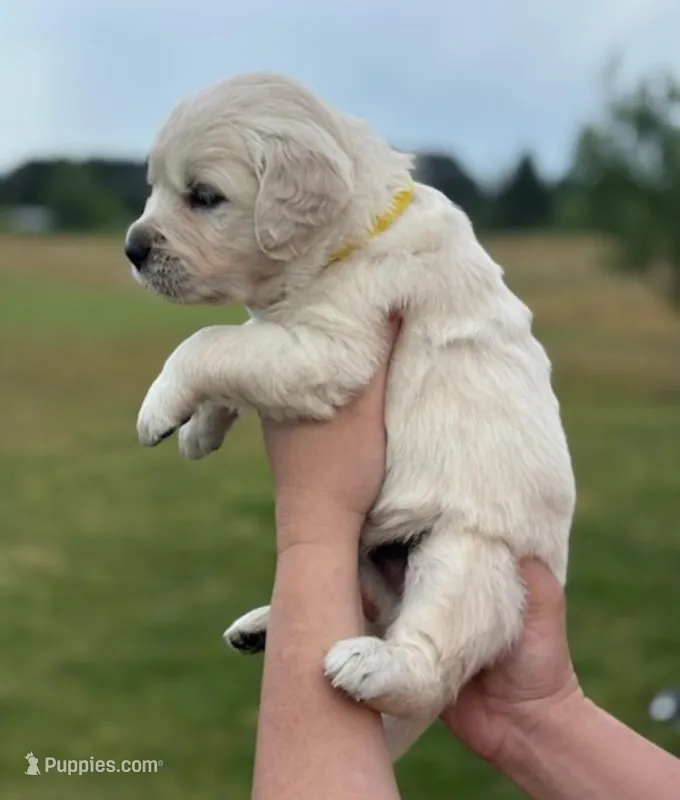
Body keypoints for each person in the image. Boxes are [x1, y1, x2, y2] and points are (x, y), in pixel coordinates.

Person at [251, 318, 680, 800]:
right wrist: (535, 710)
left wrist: (316, 523)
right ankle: (347, 616)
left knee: (453, 559)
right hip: (434, 541)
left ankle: (404, 655)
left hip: (456, 543)